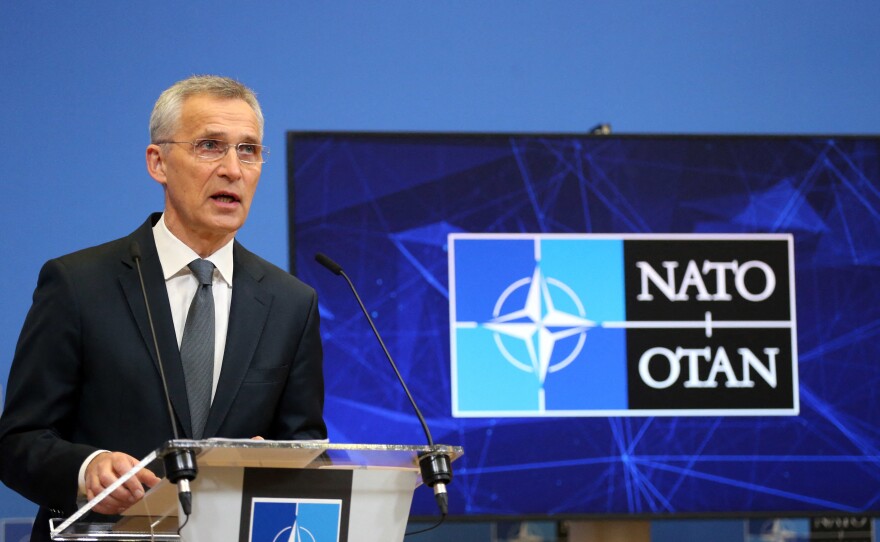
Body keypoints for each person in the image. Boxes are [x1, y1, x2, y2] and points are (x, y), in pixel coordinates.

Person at [0, 75, 327, 541]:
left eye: (249, 150)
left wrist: (277, 462)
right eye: (210, 146)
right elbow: (18, 442)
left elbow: (305, 449)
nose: (233, 169)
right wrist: (87, 467)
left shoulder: (290, 302)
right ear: (159, 162)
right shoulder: (78, 284)